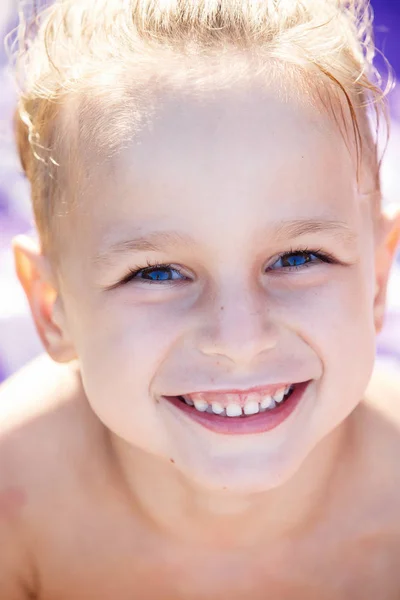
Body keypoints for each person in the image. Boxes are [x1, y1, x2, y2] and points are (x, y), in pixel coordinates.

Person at [1, 0, 400, 597]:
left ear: (376, 277)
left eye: (298, 258)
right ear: (50, 305)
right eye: (156, 272)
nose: (239, 340)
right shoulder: (18, 506)